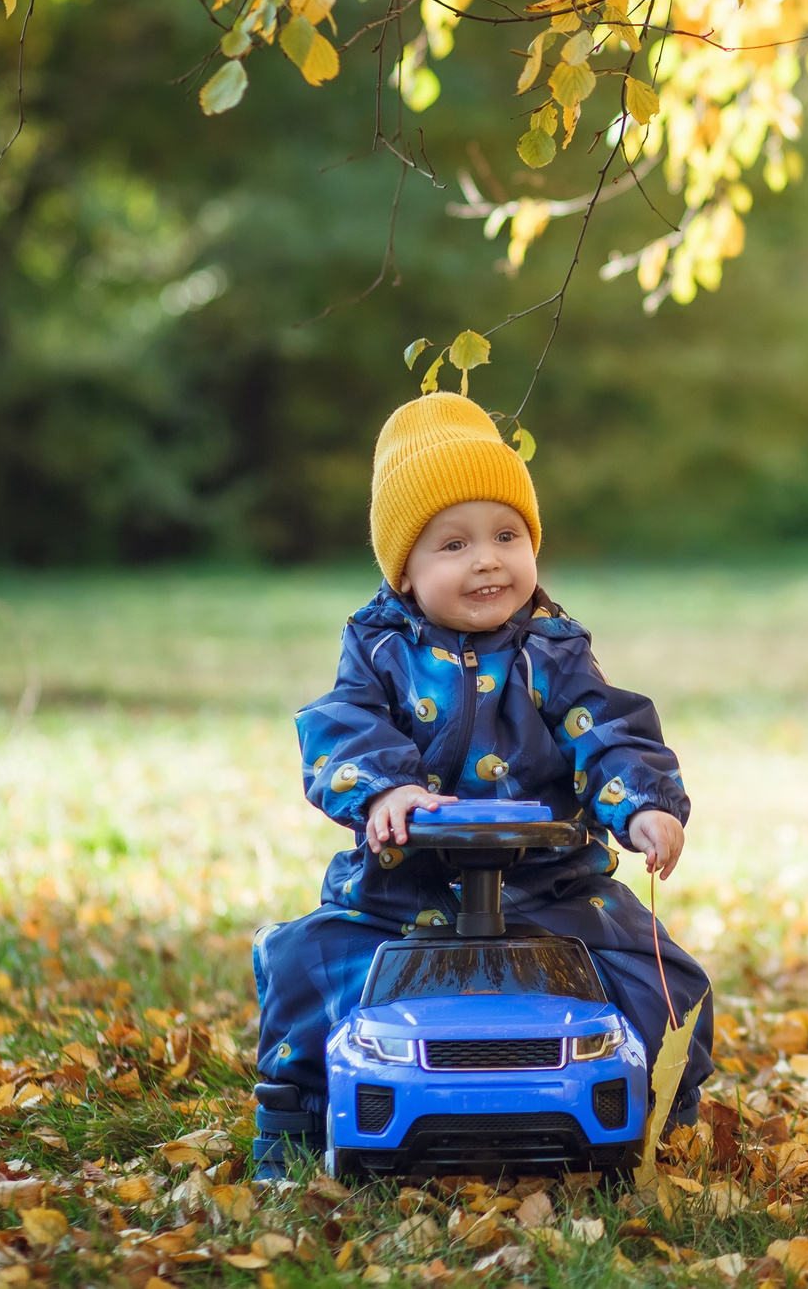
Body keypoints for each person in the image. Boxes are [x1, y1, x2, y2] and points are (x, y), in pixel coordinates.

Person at [249, 390, 711, 1180]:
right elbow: (342, 722)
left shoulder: (553, 650)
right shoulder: (379, 647)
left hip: (550, 885)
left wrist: (640, 804)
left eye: (506, 534)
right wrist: (386, 791)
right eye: (453, 544)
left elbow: (605, 725)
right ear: (406, 569)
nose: (488, 559)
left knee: (663, 973)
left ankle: (663, 1111)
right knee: (301, 961)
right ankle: (295, 1113)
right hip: (402, 887)